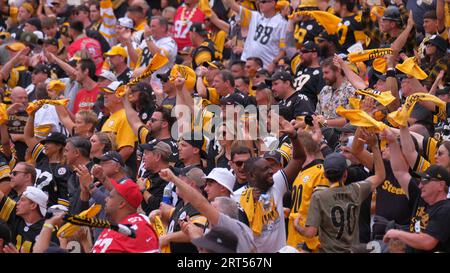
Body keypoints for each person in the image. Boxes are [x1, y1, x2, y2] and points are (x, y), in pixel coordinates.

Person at [294, 133, 385, 253]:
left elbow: (310, 233)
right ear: (345, 174)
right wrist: (375, 146)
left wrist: (298, 226)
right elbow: (380, 175)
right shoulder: (356, 190)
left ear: (325, 175)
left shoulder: (319, 196)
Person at [234, 113, 306, 252]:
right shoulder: (238, 198)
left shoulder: (277, 184)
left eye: (270, 168)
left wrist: (294, 136)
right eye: (265, 169)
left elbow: (299, 159)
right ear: (252, 176)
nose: (271, 172)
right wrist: (252, 203)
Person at [383, 128, 450, 252]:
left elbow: (427, 242)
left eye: (425, 181)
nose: (420, 185)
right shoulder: (420, 196)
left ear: (441, 185)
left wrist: (398, 234)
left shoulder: (445, 210)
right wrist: (392, 142)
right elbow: (400, 172)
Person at [287, 131, 329, 252]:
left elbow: (323, 211)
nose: (290, 152)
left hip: (309, 242)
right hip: (294, 237)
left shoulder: (321, 171)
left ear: (302, 148)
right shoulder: (301, 172)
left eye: (292, 147)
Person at [91, 179, 159, 253]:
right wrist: (84, 240)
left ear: (121, 203)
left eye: (110, 197)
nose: (106, 199)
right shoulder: (112, 227)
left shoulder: (139, 227)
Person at [225, 0, 287, 70]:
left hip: (266, 68)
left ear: (273, 3)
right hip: (247, 65)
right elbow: (232, 5)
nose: (260, 4)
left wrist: (273, 63)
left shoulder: (282, 23)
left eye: (263, 2)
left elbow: (284, 50)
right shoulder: (254, 16)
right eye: (259, 2)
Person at [0, 186, 54, 253]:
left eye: (22, 200)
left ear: (33, 205)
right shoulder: (17, 217)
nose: (17, 203)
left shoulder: (47, 230)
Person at [100, 81, 137, 173]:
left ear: (120, 98)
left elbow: (127, 149)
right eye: (105, 93)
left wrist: (110, 168)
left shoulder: (125, 116)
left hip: (120, 172)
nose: (105, 96)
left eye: (109, 93)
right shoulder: (110, 118)